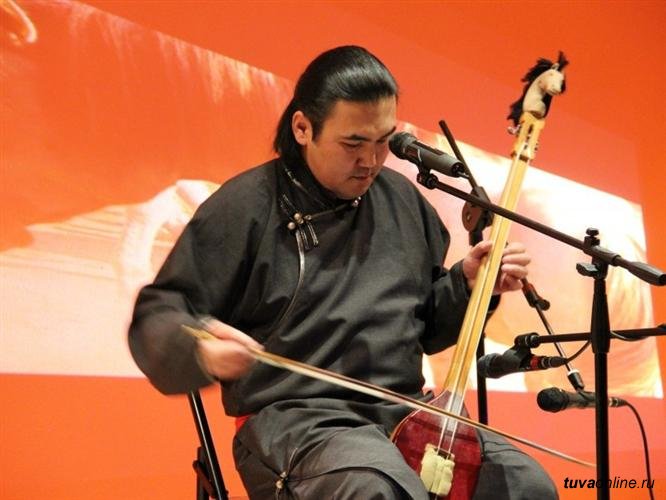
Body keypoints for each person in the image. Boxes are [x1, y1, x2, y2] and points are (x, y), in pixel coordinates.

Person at [129, 45, 557, 499]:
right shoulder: (245, 207)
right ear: (302, 128)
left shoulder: (403, 201)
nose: (370, 161)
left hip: (404, 412)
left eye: (382, 141)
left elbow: (427, 329)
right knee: (377, 489)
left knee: (525, 487)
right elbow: (160, 311)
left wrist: (467, 284)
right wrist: (200, 347)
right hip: (295, 422)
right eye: (353, 144)